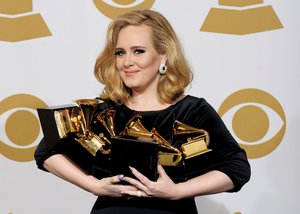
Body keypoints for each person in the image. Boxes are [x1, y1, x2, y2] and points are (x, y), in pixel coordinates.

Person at [34, 9, 251, 214]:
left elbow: (238, 167)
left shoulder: (193, 111)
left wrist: (177, 191)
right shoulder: (103, 110)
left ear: (163, 56)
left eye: (138, 51)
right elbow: (46, 151)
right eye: (120, 53)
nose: (127, 62)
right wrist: (93, 185)